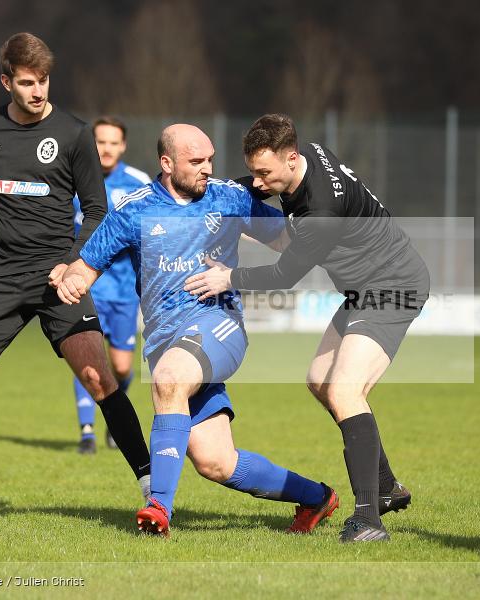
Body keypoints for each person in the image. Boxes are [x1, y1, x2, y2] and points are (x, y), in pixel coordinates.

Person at [0, 33, 151, 521]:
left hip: (58, 278)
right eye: (27, 83)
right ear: (6, 82)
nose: (38, 91)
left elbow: (97, 210)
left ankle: (151, 485)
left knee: (99, 378)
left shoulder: (74, 133)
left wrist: (74, 262)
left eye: (44, 81)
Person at [57, 124, 339, 537]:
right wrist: (72, 280)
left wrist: (329, 225)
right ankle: (317, 497)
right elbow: (85, 267)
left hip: (219, 325)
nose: (207, 168)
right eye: (196, 161)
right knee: (216, 462)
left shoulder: (229, 198)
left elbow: (288, 241)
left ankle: (158, 508)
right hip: (165, 340)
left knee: (169, 378)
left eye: (210, 159)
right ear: (167, 163)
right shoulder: (134, 209)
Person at [184, 114, 428, 542]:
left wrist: (228, 278)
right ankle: (386, 486)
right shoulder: (307, 153)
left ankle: (369, 520)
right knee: (320, 381)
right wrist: (215, 188)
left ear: (291, 158)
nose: (258, 182)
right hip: (364, 288)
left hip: (392, 286)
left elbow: (285, 274)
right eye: (254, 171)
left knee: (344, 391)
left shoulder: (321, 212)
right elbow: (259, 186)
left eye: (265, 173)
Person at [71, 116, 151, 454]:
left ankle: (114, 414)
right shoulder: (74, 178)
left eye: (113, 142)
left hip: (123, 290)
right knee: (86, 358)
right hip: (85, 287)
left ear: (123, 146)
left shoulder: (138, 182)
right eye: (100, 141)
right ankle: (87, 432)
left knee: (120, 367)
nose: (106, 148)